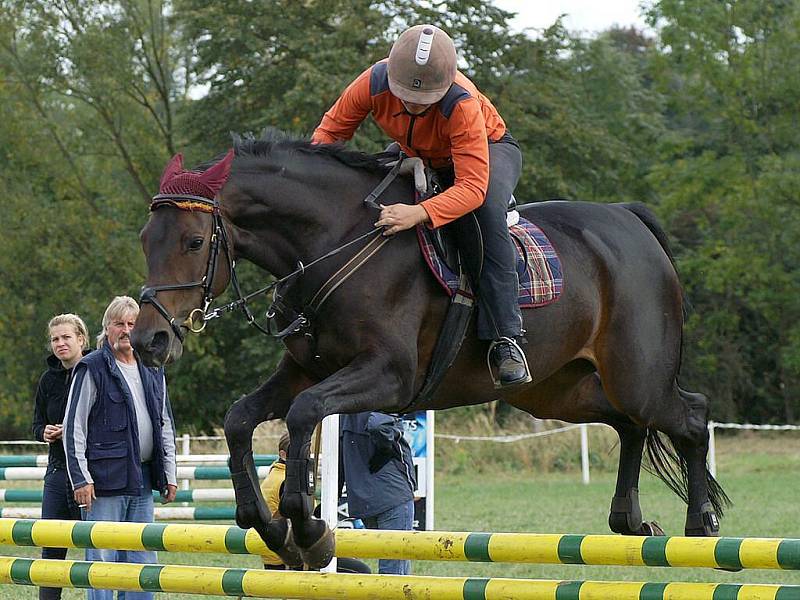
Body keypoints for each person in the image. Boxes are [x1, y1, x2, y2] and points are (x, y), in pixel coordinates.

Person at [312, 24, 531, 388]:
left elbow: (472, 187)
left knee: (485, 216)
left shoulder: (461, 102)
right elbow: (328, 136)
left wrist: (418, 213)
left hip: (488, 155)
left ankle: (506, 340)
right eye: (406, 96)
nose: (414, 104)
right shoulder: (371, 81)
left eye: (426, 98)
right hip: (419, 155)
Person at [63, 296, 178, 600]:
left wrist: (170, 473)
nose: (126, 330)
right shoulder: (91, 367)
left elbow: (164, 423)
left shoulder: (153, 366)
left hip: (143, 480)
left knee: (142, 561)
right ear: (107, 328)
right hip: (102, 483)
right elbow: (74, 427)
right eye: (119, 324)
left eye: (132, 324)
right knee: (101, 561)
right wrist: (81, 479)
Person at [32, 313, 91, 600]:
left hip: (91, 473)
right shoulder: (47, 380)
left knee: (98, 548)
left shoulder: (97, 371)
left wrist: (73, 430)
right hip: (56, 472)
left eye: (66, 337)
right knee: (51, 549)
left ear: (81, 339)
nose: (60, 343)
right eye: (55, 339)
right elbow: (35, 424)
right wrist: (44, 431)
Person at [259, 432, 371, 574]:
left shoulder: (275, 474)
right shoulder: (287, 482)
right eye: (300, 454)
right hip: (290, 557)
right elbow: (298, 524)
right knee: (361, 570)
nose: (306, 458)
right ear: (283, 455)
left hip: (277, 554)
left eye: (307, 453)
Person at [339, 412, 416, 575]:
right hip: (393, 494)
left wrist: (335, 495)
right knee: (395, 569)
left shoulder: (343, 413)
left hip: (364, 501)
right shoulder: (379, 399)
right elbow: (378, 425)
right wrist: (384, 451)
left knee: (388, 562)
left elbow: (340, 460)